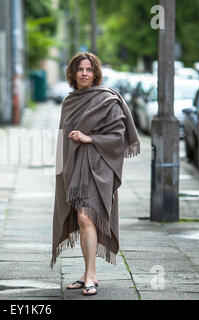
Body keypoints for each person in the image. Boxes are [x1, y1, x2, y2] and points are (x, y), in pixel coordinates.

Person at [50, 52, 140, 296]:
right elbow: (64, 141)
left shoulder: (107, 99)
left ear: (95, 73)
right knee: (82, 219)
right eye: (80, 69)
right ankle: (89, 273)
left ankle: (91, 275)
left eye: (89, 69)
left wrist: (90, 138)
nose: (85, 73)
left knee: (87, 217)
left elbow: (118, 136)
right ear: (73, 73)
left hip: (100, 166)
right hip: (76, 168)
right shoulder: (69, 101)